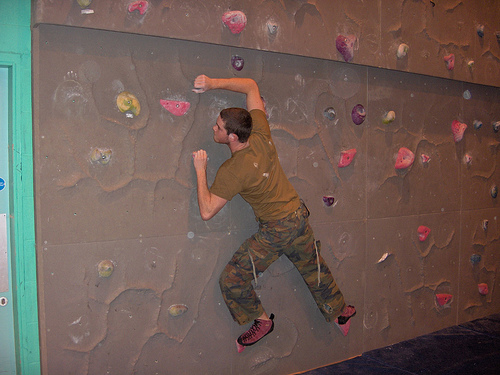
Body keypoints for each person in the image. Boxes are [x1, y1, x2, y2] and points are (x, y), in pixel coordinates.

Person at [191, 75, 355, 352]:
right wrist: (211, 83)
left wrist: (199, 170)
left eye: (218, 127)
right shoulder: (260, 133)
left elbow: (207, 211)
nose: (213, 128)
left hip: (277, 228)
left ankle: (261, 321)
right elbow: (251, 86)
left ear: (231, 137)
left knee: (232, 279)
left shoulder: (232, 171)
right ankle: (340, 312)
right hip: (297, 216)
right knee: (313, 269)